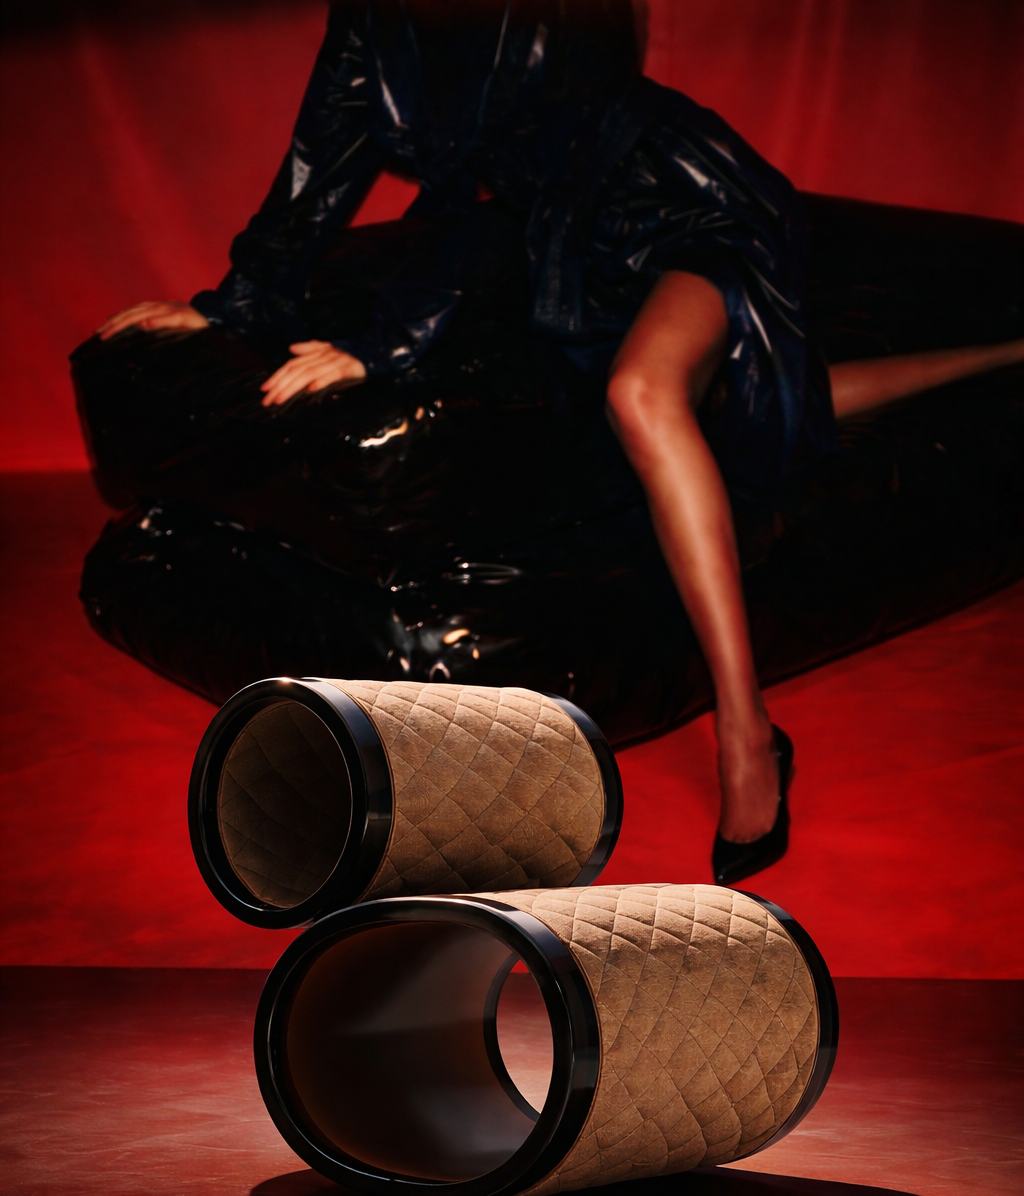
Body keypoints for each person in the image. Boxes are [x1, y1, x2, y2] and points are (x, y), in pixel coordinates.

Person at [97, 0, 1024, 882]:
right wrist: (237, 301)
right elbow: (321, 153)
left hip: (685, 202)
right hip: (568, 242)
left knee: (643, 393)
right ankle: (1007, 353)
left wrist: (384, 345)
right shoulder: (374, 20)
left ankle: (747, 734)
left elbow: (485, 205)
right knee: (769, 405)